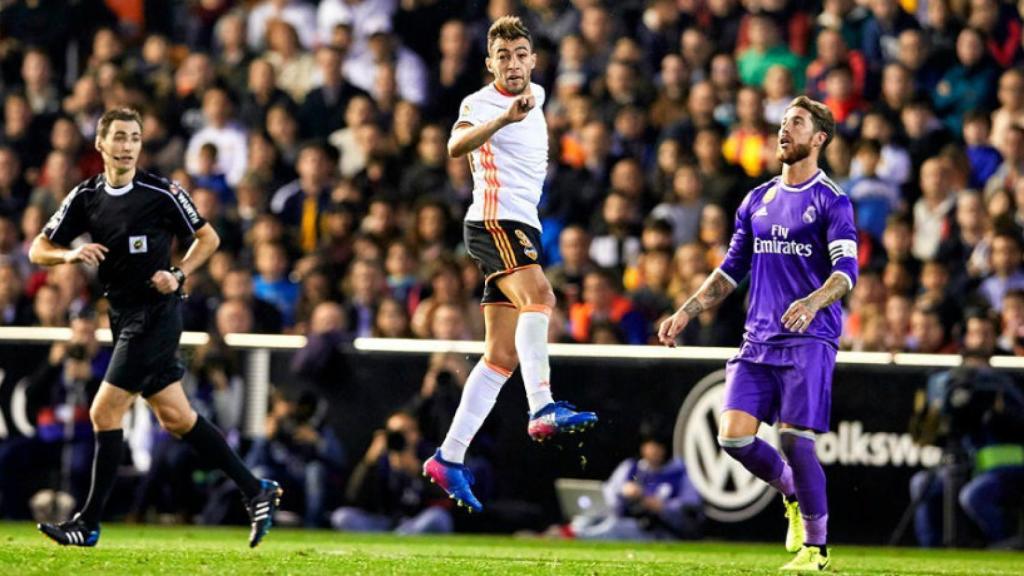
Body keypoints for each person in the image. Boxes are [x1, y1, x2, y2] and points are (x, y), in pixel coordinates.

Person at [28, 108, 282, 548]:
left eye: (134, 138)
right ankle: (256, 488)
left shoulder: (160, 192)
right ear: (100, 144)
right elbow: (38, 248)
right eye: (119, 137)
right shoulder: (86, 195)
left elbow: (209, 238)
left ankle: (88, 523)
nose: (127, 146)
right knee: (176, 417)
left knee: (104, 412)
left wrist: (178, 274)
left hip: (156, 315)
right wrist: (68, 255)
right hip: (121, 315)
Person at [658, 96, 858, 572]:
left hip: (809, 338)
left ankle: (816, 549)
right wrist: (687, 311)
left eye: (797, 123)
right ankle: (791, 491)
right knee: (732, 439)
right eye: (783, 122)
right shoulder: (757, 200)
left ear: (819, 138)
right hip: (758, 339)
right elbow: (731, 270)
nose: (784, 130)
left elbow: (846, 272)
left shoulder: (832, 200)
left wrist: (812, 302)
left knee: (795, 440)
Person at [421, 16, 598, 513]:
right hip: (494, 221)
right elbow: (454, 146)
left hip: (523, 225)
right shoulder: (479, 103)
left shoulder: (538, 94)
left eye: (521, 54)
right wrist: (501, 120)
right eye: (503, 56)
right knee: (541, 296)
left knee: (500, 356)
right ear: (489, 63)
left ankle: (448, 456)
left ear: (533, 60)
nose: (513, 63)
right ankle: (541, 406)